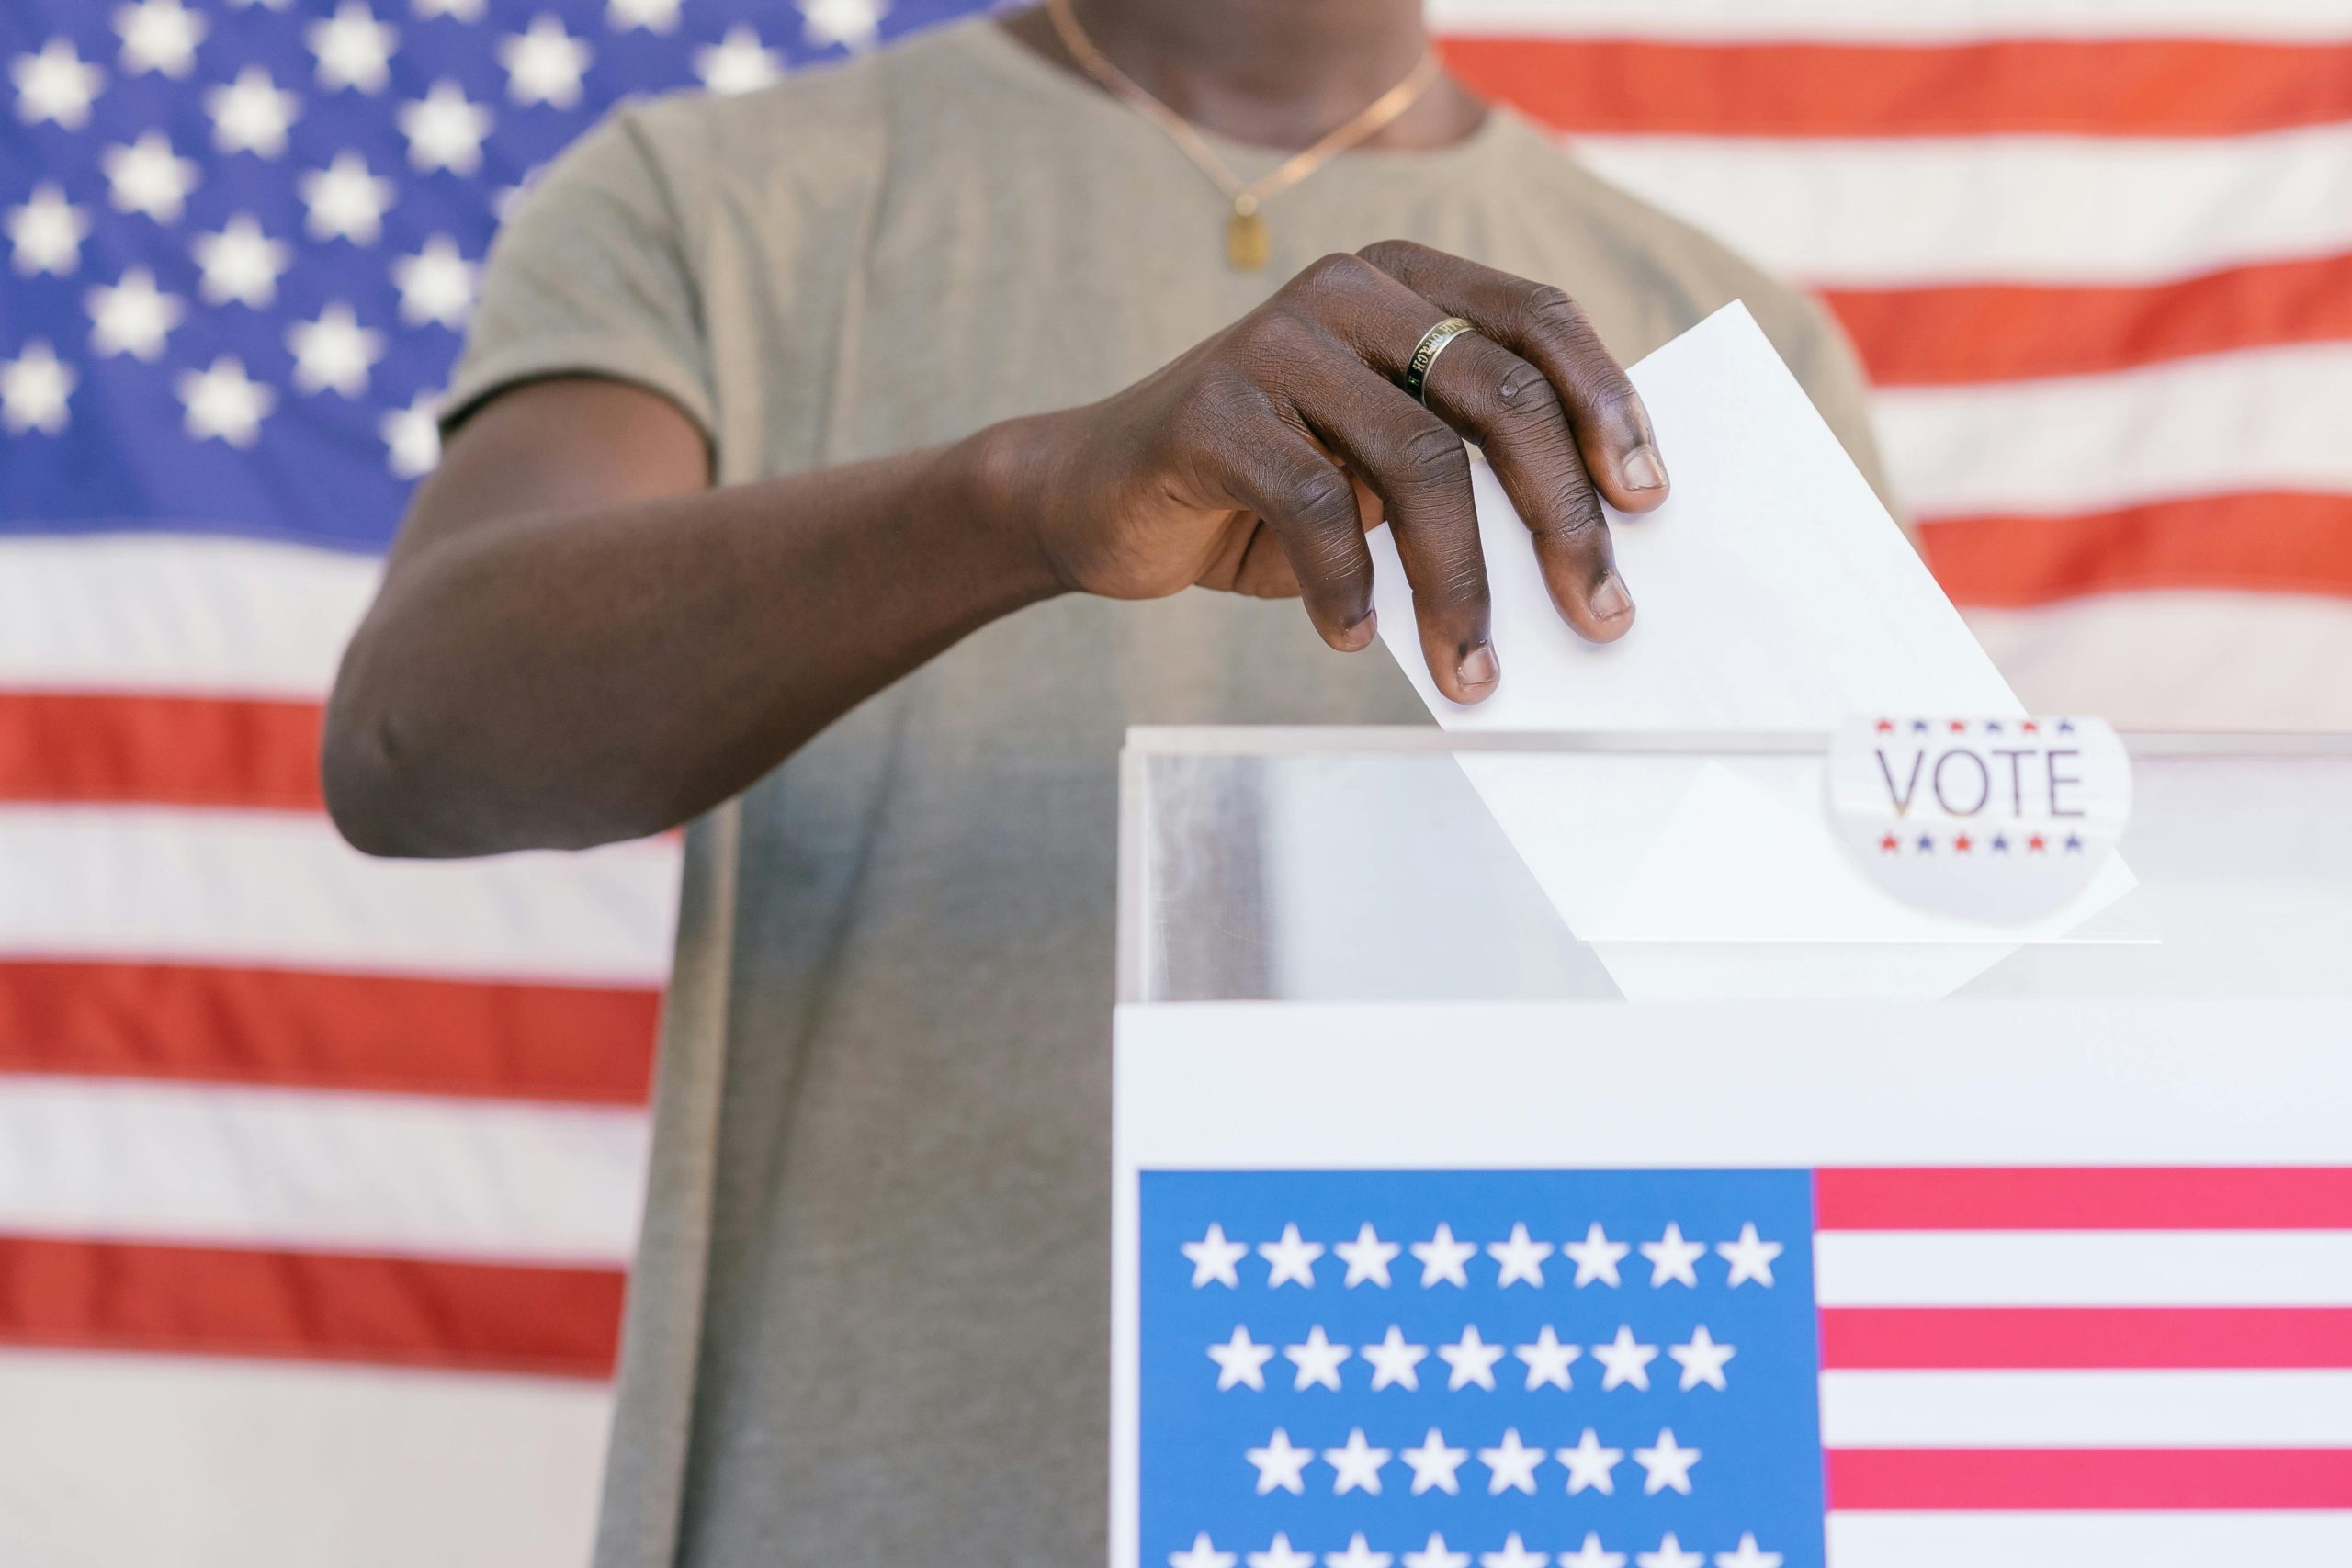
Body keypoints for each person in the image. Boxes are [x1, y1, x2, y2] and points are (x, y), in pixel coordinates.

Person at [322, 2, 1892, 1562]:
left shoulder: (1716, 339)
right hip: (874, 1502)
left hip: (1526, 1485)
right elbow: (413, 743)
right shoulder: (720, 196)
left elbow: (1854, 1051)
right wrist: (1026, 502)